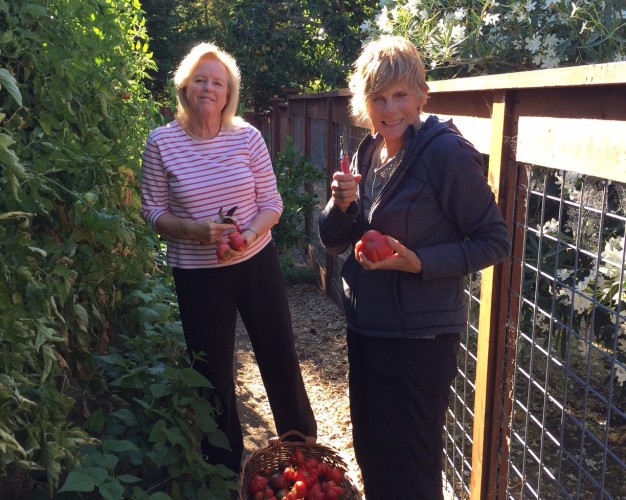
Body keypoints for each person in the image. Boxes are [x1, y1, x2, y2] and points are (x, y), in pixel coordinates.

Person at [318, 36, 510, 499]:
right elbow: (334, 240)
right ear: (364, 104)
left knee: (413, 462)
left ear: (422, 94)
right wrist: (340, 205)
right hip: (368, 325)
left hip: (420, 336)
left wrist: (419, 261)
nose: (390, 109)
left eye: (401, 94)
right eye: (378, 98)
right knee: (372, 451)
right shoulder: (369, 151)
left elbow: (494, 241)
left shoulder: (445, 154)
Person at [140, 42, 317, 473]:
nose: (208, 88)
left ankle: (302, 447)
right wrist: (194, 231)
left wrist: (249, 235)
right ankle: (222, 464)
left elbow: (272, 204)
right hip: (197, 272)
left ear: (228, 91)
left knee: (278, 351)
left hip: (256, 263)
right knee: (212, 369)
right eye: (200, 79)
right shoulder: (161, 142)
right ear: (184, 85)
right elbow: (153, 211)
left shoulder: (247, 136)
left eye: (217, 82)